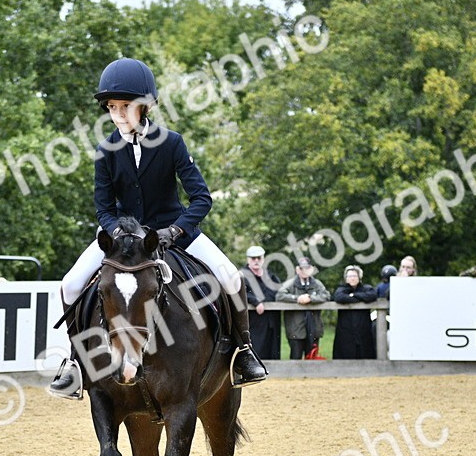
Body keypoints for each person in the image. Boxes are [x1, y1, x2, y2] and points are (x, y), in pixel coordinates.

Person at [49, 58, 267, 398]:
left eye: (125, 107)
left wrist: (175, 231)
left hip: (173, 229)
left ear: (145, 106)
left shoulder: (171, 143)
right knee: (71, 283)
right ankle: (76, 363)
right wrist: (118, 233)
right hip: (123, 238)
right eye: (112, 108)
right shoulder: (105, 150)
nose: (118, 115)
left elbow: (201, 199)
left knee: (231, 277)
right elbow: (103, 209)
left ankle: (244, 353)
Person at [275, 257, 329, 360]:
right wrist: (297, 298)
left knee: (312, 357)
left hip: (314, 327)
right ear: (297, 269)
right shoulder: (290, 284)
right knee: (296, 357)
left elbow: (326, 295)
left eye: (307, 268)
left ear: (312, 269)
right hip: (296, 329)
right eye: (302, 268)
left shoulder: (317, 284)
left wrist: (310, 298)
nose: (304, 271)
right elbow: (280, 295)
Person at [239, 245, 281, 360]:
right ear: (248, 259)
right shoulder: (242, 275)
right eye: (253, 258)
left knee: (272, 349)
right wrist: (256, 302)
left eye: (259, 258)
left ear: (263, 259)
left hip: (271, 320)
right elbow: (240, 293)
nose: (256, 261)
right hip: (253, 321)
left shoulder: (270, 275)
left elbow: (279, 292)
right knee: (256, 350)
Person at [332, 265, 378, 359]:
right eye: (349, 276)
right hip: (346, 329)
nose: (352, 278)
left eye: (354, 276)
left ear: (359, 277)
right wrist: (360, 298)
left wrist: (353, 295)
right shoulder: (341, 289)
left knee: (365, 353)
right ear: (346, 278)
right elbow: (339, 297)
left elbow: (372, 295)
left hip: (363, 328)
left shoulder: (367, 288)